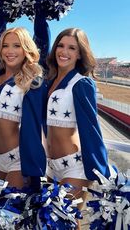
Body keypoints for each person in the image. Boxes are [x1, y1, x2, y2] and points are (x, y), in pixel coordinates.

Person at [44, 28, 113, 227]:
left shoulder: (82, 84)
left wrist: (101, 175)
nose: (63, 51)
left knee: (60, 223)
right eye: (60, 45)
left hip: (75, 168)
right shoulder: (50, 81)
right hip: (52, 167)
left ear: (80, 53)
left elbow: (92, 130)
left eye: (71, 48)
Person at [0, 27, 47, 190]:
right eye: (5, 46)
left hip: (19, 159)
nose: (10, 51)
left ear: (26, 49)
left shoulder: (31, 82)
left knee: (10, 213)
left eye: (17, 45)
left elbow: (36, 122)